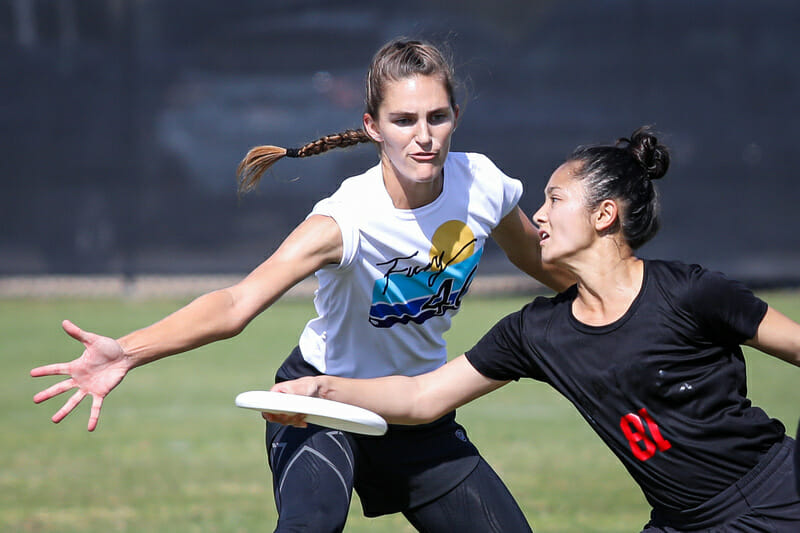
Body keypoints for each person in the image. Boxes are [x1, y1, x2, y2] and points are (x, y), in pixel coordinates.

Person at [31, 39, 572, 532]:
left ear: (456, 116)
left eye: (437, 117)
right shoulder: (345, 219)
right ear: (372, 126)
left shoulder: (483, 185)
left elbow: (539, 260)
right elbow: (236, 304)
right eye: (404, 120)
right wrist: (125, 351)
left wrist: (618, 298)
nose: (424, 136)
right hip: (316, 405)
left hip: (414, 407)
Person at [268, 127, 800, 532]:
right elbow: (424, 396)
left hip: (777, 495)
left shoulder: (689, 292)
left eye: (554, 200)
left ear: (604, 215)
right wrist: (322, 389)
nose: (537, 216)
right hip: (682, 521)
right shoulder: (537, 331)